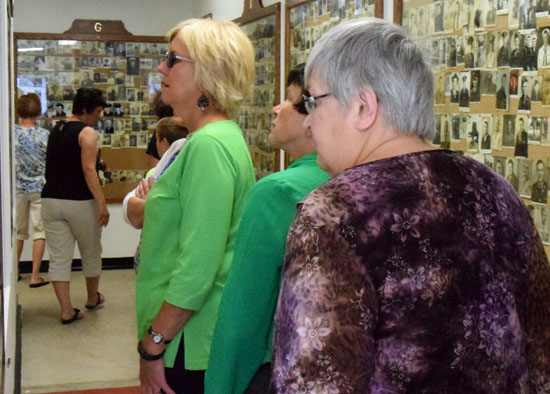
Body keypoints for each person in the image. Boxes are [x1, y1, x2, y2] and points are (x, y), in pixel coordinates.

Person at [271, 18, 550, 393]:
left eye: (313, 101)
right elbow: (541, 351)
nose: (308, 125)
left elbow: (312, 381)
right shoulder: (496, 189)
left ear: (363, 107)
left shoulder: (333, 213)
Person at [135, 19, 256, 394]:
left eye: (172, 59)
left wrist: (154, 344)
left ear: (206, 73)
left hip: (187, 340)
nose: (161, 67)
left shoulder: (208, 147)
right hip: (187, 336)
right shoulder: (217, 138)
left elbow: (198, 266)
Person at [204, 64, 329, 394]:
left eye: (289, 100)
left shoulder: (277, 192)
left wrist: (220, 385)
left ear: (312, 116)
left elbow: (243, 316)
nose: (276, 108)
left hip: (282, 369)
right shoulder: (361, 183)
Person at [41, 88, 110, 324]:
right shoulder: (87, 133)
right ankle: (92, 298)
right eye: (98, 111)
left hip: (51, 200)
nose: (99, 116)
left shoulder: (56, 130)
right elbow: (88, 169)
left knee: (59, 257)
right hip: (80, 201)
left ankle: (66, 310)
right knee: (91, 251)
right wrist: (102, 202)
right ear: (85, 110)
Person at [123, 117, 188, 229]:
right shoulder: (179, 150)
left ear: (163, 143)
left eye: (156, 140)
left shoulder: (153, 172)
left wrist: (150, 202)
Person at [14, 93, 49, 287]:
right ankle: (35, 275)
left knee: (18, 231)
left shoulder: (11, 133)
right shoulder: (44, 135)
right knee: (39, 231)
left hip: (18, 188)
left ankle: (15, 270)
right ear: (37, 112)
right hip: (39, 188)